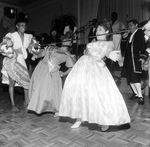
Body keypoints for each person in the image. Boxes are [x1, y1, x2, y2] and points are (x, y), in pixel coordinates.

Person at [59, 22, 131, 131]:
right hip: (82, 67)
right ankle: (80, 118)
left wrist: (110, 54)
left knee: (99, 94)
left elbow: (109, 51)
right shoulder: (93, 41)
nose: (97, 32)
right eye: (97, 30)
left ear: (107, 31)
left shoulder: (109, 43)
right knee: (80, 92)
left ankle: (104, 120)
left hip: (96, 69)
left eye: (100, 30)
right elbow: (87, 52)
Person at [27, 32, 75, 116]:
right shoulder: (53, 47)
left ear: (71, 43)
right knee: (39, 89)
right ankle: (38, 107)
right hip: (42, 68)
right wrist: (36, 53)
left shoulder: (68, 54)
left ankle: (56, 109)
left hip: (53, 71)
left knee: (52, 92)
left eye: (68, 41)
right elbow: (41, 54)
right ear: (62, 40)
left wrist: (64, 73)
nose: (66, 42)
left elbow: (71, 67)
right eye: (65, 40)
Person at [0, 13, 33, 111]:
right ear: (17, 26)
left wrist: (34, 46)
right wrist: (8, 42)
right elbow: (5, 43)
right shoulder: (11, 35)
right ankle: (13, 105)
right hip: (12, 61)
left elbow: (32, 47)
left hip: (22, 60)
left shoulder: (28, 36)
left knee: (26, 82)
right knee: (12, 83)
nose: (24, 27)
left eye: (25, 25)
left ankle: (27, 102)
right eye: (21, 25)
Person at [122, 19, 147, 104]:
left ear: (136, 25)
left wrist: (143, 57)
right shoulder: (130, 34)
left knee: (135, 77)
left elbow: (143, 45)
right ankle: (136, 94)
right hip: (129, 58)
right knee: (130, 78)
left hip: (135, 58)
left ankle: (141, 97)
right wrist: (124, 38)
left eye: (131, 25)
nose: (129, 27)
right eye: (128, 26)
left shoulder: (139, 33)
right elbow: (125, 47)